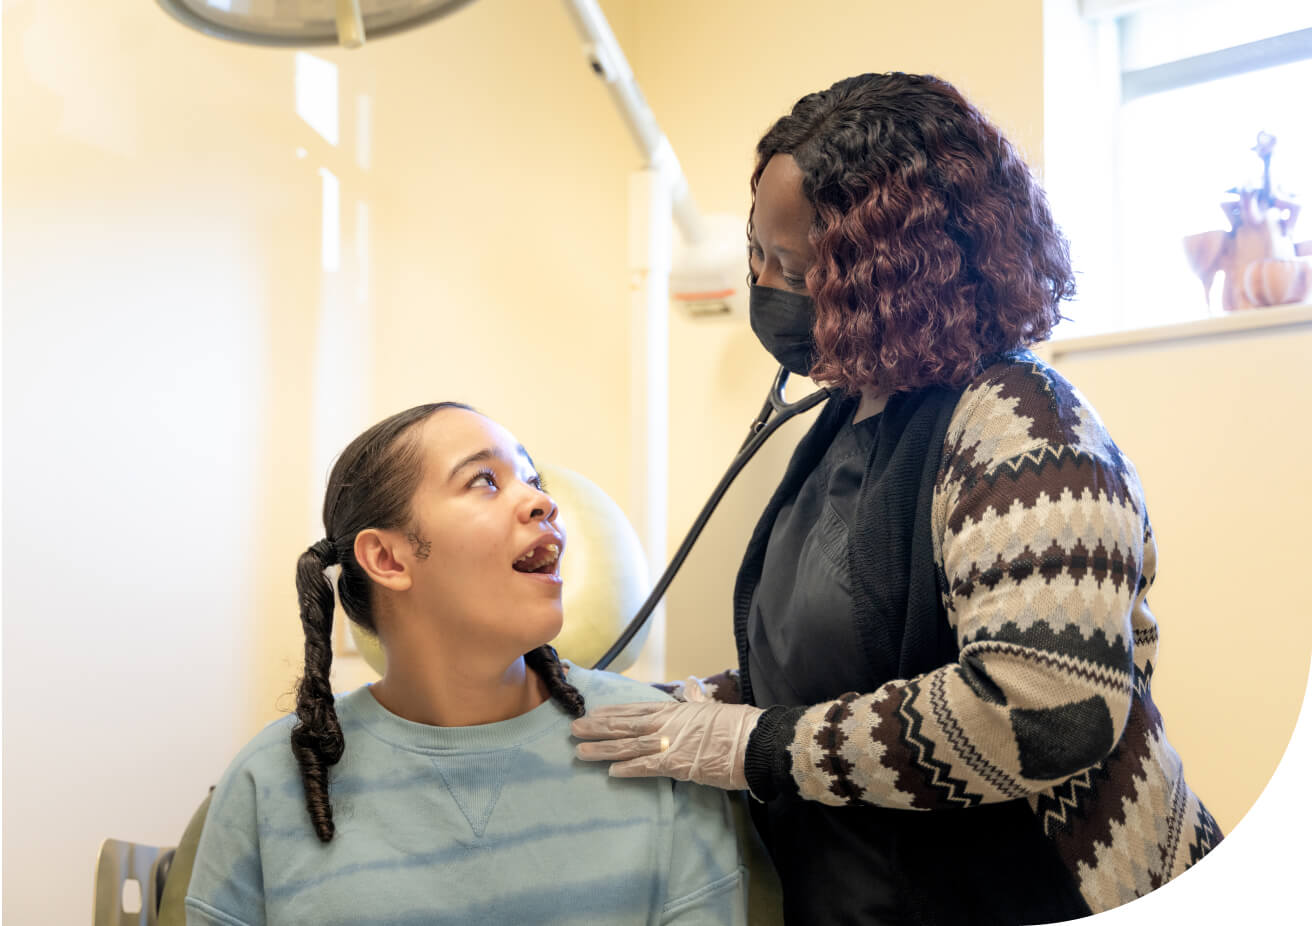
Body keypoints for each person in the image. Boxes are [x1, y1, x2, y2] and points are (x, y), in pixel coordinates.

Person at [572, 72, 1222, 924]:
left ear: (890, 276)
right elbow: (850, 657)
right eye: (756, 253)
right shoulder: (854, 413)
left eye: (793, 266)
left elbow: (1048, 713)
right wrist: (715, 702)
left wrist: (754, 744)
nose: (763, 284)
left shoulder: (1027, 431)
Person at [185, 402, 745, 925]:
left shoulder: (659, 741)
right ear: (386, 558)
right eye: (484, 480)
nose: (543, 501)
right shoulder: (271, 780)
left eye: (533, 480)